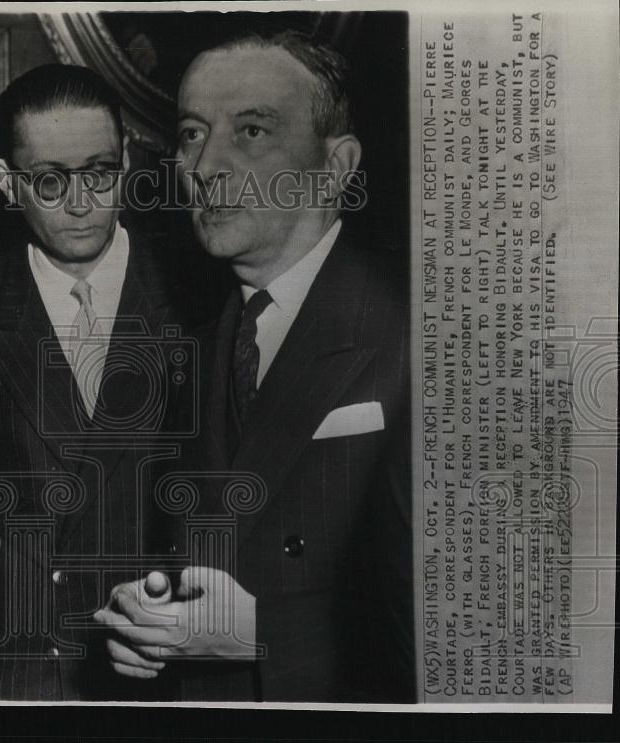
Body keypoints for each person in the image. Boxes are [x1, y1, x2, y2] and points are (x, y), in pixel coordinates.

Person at [95, 30, 415, 702]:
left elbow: (473, 624)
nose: (206, 164)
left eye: (251, 131)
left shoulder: (422, 333)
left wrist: (263, 633)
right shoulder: (197, 346)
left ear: (336, 165)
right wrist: (154, 618)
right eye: (191, 133)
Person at [0, 63, 187, 700]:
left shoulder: (200, 296)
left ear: (126, 160)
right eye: (50, 180)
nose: (80, 203)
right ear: (5, 180)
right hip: (21, 672)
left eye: (100, 172)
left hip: (159, 665)